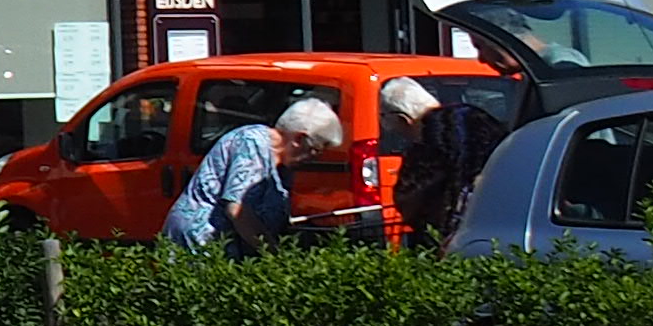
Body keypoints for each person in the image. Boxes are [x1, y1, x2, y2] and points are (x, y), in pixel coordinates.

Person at [169, 94, 342, 251]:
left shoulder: (284, 163)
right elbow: (237, 209)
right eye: (316, 149)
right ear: (298, 138)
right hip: (203, 243)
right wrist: (273, 254)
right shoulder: (252, 143)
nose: (314, 157)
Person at [380, 77, 496, 245]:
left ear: (403, 119)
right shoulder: (472, 120)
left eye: (383, 116)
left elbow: (409, 199)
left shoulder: (427, 146)